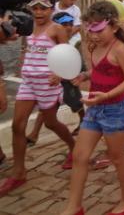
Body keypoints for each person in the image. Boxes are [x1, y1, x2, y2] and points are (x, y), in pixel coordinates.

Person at [59, 1, 124, 215]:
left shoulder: (120, 49)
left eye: (98, 29)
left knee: (117, 156)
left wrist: (108, 95)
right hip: (95, 108)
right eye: (90, 29)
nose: (93, 35)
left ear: (113, 26)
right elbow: (101, 72)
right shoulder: (95, 46)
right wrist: (84, 75)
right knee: (79, 156)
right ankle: (74, 206)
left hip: (115, 109)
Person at [0, 0, 75, 197]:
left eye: (44, 8)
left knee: (51, 123)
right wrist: (23, 63)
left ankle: (73, 146)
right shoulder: (27, 25)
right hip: (28, 82)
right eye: (35, 8)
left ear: (52, 9)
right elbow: (26, 46)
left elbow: (66, 55)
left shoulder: (57, 29)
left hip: (47, 84)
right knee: (18, 125)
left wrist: (58, 75)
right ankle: (18, 172)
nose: (39, 12)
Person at [26, 12, 85, 145]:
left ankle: (84, 122)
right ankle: (34, 134)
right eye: (64, 24)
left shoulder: (74, 42)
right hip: (52, 82)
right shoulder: (47, 40)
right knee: (45, 108)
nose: (68, 27)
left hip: (68, 80)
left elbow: (79, 63)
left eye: (70, 24)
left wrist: (74, 75)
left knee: (76, 103)